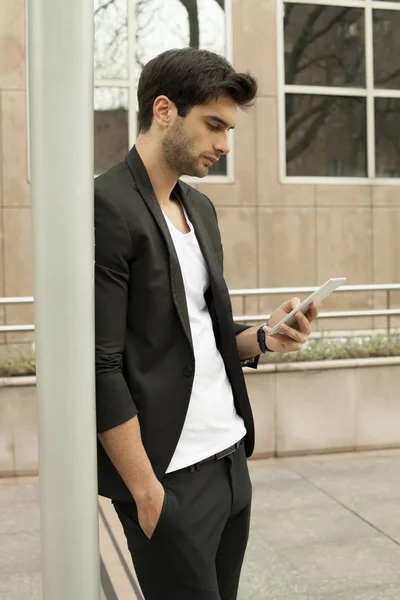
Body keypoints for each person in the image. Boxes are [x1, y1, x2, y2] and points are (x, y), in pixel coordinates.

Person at [94, 48, 318, 600]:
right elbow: (99, 363)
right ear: (165, 110)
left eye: (229, 129)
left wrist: (264, 337)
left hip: (229, 459)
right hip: (168, 476)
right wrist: (145, 491)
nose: (223, 144)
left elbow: (202, 332)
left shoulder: (200, 208)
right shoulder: (106, 205)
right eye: (214, 125)